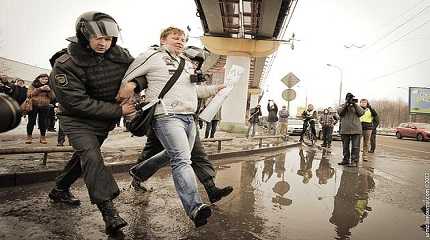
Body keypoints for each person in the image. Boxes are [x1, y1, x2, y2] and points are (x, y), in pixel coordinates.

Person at [119, 27, 225, 227]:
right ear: (162, 39)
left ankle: (139, 172)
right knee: (182, 159)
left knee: (173, 153)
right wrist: (128, 95)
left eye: (183, 39)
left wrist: (215, 89)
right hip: (167, 115)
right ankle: (194, 208)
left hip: (189, 117)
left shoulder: (185, 63)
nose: (180, 41)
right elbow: (128, 77)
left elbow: (195, 91)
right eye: (175, 38)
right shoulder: (152, 56)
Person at [47, 11, 135, 235]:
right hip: (77, 120)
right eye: (98, 38)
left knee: (84, 158)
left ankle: (60, 188)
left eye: (108, 39)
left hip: (102, 121)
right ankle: (109, 213)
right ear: (84, 35)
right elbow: (77, 103)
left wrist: (134, 84)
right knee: (92, 157)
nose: (103, 43)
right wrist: (118, 109)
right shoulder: (65, 64)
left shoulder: (120, 55)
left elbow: (141, 70)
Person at [25, 74, 55, 144]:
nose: (44, 80)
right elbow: (29, 94)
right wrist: (40, 89)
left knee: (43, 122)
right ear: (39, 78)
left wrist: (49, 91)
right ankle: (29, 137)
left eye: (46, 79)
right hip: (33, 105)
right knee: (31, 121)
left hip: (44, 106)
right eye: (42, 78)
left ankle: (43, 137)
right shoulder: (33, 85)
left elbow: (53, 97)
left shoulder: (50, 86)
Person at [337, 93, 364, 167]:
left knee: (355, 147)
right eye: (349, 98)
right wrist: (346, 104)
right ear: (346, 99)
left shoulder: (357, 106)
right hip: (345, 130)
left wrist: (354, 104)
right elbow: (340, 113)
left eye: (352, 98)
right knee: (345, 146)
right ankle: (345, 160)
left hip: (356, 130)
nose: (351, 100)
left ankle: (354, 161)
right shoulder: (342, 106)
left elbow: (361, 113)